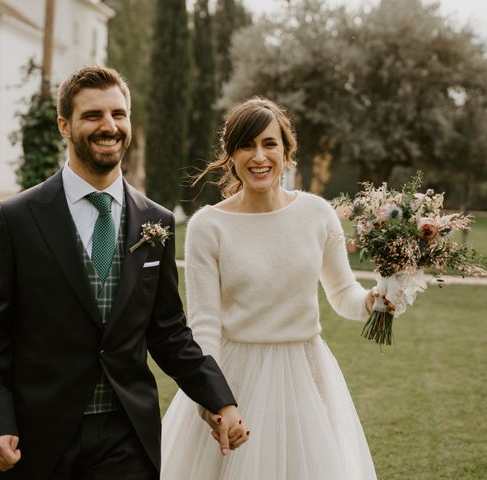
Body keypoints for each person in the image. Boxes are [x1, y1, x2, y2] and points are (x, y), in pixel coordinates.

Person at [0, 66, 247, 480]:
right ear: (65, 124)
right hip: (37, 437)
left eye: (119, 114)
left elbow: (168, 332)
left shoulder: (158, 221)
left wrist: (219, 400)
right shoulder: (17, 218)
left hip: (125, 436)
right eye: (93, 115)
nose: (109, 126)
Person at [161, 97, 395, 479]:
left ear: (287, 151)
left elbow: (342, 295)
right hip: (235, 378)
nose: (259, 156)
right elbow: (204, 326)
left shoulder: (317, 213)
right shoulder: (208, 227)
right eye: (246, 145)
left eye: (269, 143)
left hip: (306, 375)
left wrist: (373, 300)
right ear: (231, 155)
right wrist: (212, 401)